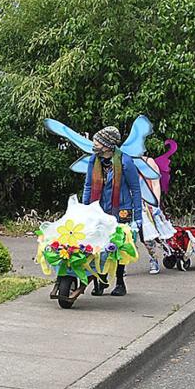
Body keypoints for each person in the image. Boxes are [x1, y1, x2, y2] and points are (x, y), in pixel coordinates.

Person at [80, 125, 143, 295]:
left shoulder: (126, 162)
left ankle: (120, 282)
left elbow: (135, 190)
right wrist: (85, 209)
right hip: (98, 209)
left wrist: (138, 217)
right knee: (98, 245)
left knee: (118, 246)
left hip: (121, 210)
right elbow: (88, 185)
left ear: (107, 145)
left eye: (97, 142)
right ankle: (101, 281)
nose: (94, 144)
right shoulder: (94, 160)